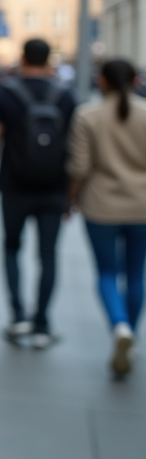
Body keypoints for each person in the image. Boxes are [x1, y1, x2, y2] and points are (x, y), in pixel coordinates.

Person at [0, 39, 76, 349]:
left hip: (14, 186)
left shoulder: (5, 93)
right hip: (54, 187)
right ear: (48, 60)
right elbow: (75, 149)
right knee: (48, 256)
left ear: (22, 58)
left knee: (11, 249)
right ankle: (42, 324)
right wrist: (72, 195)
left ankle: (18, 317)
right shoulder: (65, 96)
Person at [67, 59, 146, 378]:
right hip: (142, 207)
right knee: (136, 274)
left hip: (101, 206)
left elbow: (79, 168)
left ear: (102, 81)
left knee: (107, 271)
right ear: (136, 79)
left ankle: (119, 326)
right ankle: (131, 333)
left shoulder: (87, 115)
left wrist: (70, 200)